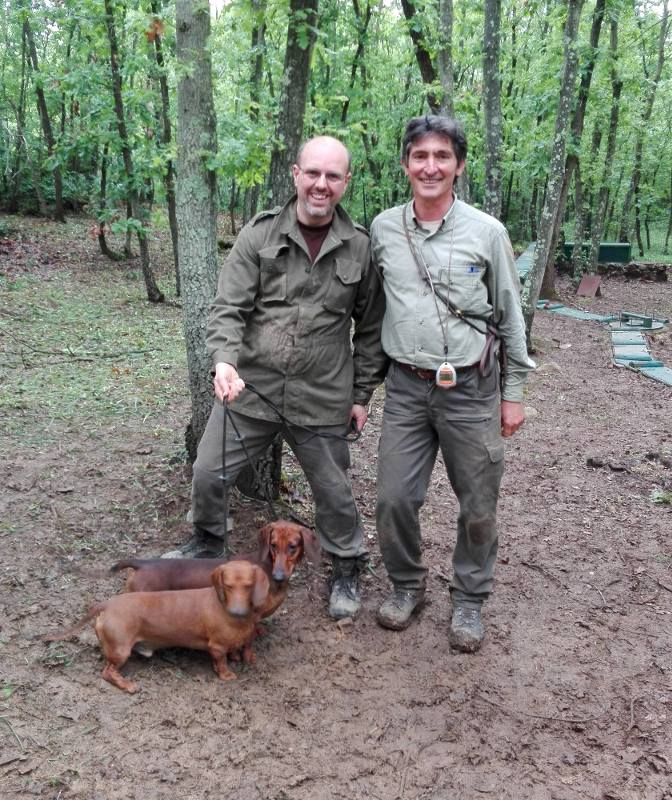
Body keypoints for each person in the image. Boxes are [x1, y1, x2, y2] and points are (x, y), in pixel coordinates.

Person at [166, 136, 387, 621]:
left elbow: (370, 330)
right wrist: (224, 361)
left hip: (323, 396)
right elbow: (228, 308)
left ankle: (346, 566)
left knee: (334, 493)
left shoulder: (361, 248)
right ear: (295, 174)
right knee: (208, 472)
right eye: (313, 173)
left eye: (333, 176)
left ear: (345, 182)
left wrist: (362, 394)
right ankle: (207, 541)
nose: (321, 184)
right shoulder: (259, 235)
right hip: (255, 391)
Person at [370, 115, 535, 652]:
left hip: (472, 388)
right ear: (405, 165)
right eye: (420, 156)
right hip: (405, 386)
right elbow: (371, 310)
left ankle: (468, 599)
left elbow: (510, 318)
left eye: (442, 156)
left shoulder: (488, 232)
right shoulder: (383, 229)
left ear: (459, 166)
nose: (430, 166)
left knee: (478, 504)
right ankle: (407, 585)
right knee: (394, 497)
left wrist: (512, 395)